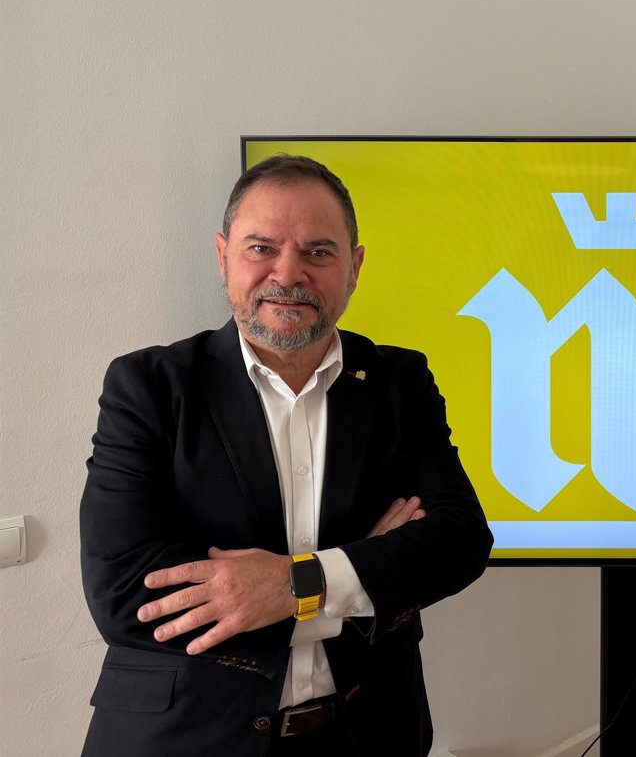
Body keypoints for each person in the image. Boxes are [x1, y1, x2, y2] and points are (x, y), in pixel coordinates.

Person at [80, 155, 493, 756]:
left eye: (318, 252)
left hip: (367, 735)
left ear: (354, 268)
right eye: (261, 248)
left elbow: (458, 541)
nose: (288, 273)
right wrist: (360, 575)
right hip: (186, 738)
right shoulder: (149, 387)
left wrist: (290, 584)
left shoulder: (399, 383)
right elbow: (125, 596)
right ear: (223, 256)